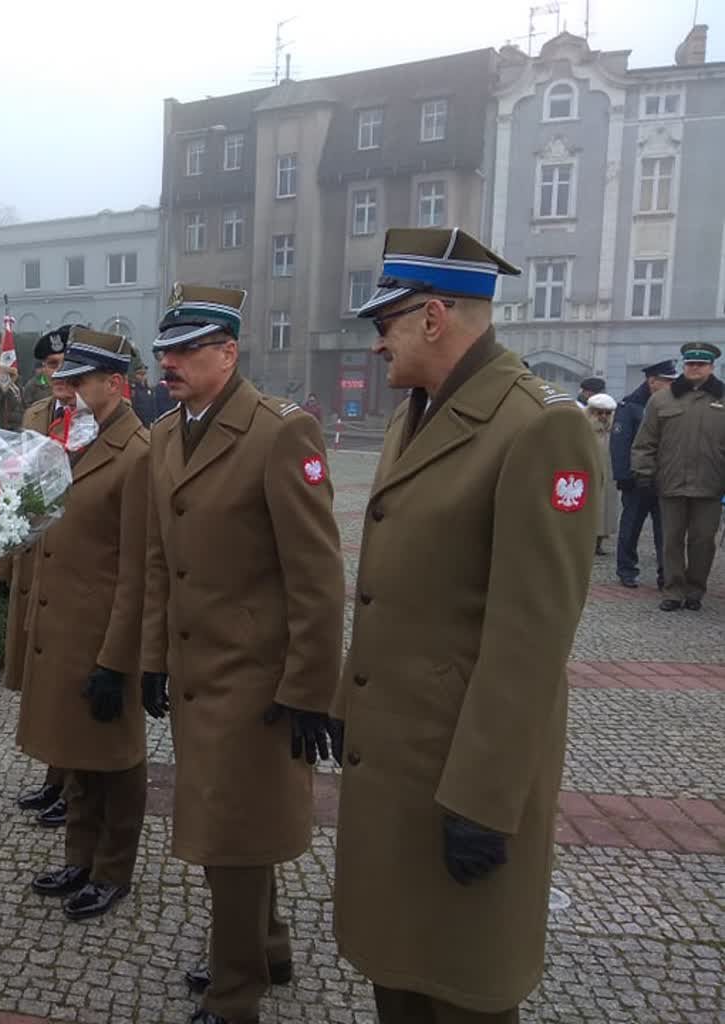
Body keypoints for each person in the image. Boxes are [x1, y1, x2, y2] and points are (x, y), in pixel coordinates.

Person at [332, 227, 599, 1024]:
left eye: (385, 324)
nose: (376, 344)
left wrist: (483, 800)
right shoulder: (412, 416)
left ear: (433, 317)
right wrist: (347, 703)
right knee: (397, 964)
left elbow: (531, 636)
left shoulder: (537, 426)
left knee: (459, 984)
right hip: (396, 757)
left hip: (459, 767)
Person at [140, 284, 345, 1024]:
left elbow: (316, 574)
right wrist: (152, 656)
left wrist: (310, 688)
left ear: (228, 353)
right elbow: (160, 559)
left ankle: (234, 996)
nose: (168, 363)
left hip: (257, 679)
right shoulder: (166, 433)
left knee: (229, 836)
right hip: (196, 671)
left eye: (186, 350)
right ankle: (268, 945)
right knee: (236, 825)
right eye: (163, 351)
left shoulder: (280, 433)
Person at [18, 328, 150, 921]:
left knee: (115, 757)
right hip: (65, 628)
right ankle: (79, 857)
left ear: (114, 384)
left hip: (102, 633)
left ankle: (112, 869)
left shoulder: (138, 453)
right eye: (65, 377)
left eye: (80, 379)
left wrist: (117, 658)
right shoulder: (76, 437)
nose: (66, 387)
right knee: (76, 749)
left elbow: (140, 567)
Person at [0, 325, 76, 827]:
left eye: (65, 365)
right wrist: (1, 563)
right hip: (34, 561)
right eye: (50, 366)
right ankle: (54, 776)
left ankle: (73, 784)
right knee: (41, 681)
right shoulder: (35, 415)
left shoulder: (96, 420)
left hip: (72, 567)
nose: (58, 375)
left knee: (67, 681)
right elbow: (15, 490)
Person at [632, 342, 725, 612]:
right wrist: (643, 472)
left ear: (711, 367)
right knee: (671, 540)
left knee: (703, 541)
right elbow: (645, 441)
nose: (695, 368)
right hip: (670, 482)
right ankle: (672, 591)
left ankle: (695, 590)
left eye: (701, 364)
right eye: (690, 364)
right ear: (684, 365)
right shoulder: (661, 399)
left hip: (711, 483)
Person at [611, 360, 676, 588]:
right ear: (652, 381)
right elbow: (620, 444)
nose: (671, 385)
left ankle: (665, 573)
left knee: (665, 530)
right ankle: (626, 570)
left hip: (664, 478)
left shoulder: (672, 404)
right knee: (630, 527)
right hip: (636, 479)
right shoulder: (630, 406)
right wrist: (624, 477)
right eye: (666, 381)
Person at [585, 393, 619, 555]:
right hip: (589, 476)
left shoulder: (613, 432)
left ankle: (598, 542)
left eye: (608, 413)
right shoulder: (583, 430)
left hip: (608, 477)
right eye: (600, 413)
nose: (604, 416)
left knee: (605, 509)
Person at [23, 330, 68, 407]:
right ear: (44, 368)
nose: (59, 371)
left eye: (66, 364)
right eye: (52, 364)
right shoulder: (34, 414)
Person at [0, 364, 24, 429]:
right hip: (4, 422)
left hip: (17, 422)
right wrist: (3, 391)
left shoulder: (17, 386)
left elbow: (22, 402)